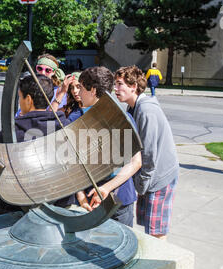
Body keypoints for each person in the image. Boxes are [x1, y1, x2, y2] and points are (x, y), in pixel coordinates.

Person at [114, 66, 179, 239]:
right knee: (148, 228)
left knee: (156, 233)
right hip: (149, 176)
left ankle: (160, 263)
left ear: (133, 86)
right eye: (115, 84)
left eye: (120, 84)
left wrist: (141, 184)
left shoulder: (146, 110)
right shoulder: (132, 108)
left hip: (160, 177)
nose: (115, 89)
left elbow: (149, 153)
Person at [0, 74, 75, 215]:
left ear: (29, 99)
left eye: (20, 97)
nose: (19, 102)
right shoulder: (66, 127)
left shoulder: (11, 133)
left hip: (17, 209)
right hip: (59, 206)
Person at [74, 66, 141, 227]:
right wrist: (82, 197)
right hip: (91, 202)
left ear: (93, 91)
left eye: (81, 88)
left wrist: (105, 188)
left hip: (118, 202)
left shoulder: (123, 120)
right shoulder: (78, 119)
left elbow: (135, 162)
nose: (78, 93)